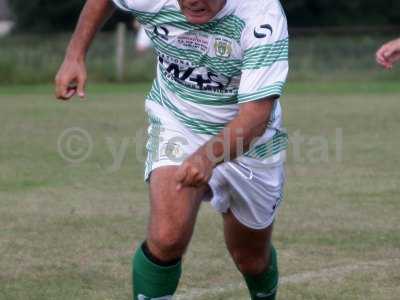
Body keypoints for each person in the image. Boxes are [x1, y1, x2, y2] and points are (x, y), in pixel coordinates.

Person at [55, 0, 289, 299]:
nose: (193, 1)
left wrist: (207, 157)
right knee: (167, 237)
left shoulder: (261, 14)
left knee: (251, 258)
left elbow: (255, 116)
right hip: (178, 121)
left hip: (251, 141)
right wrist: (75, 55)